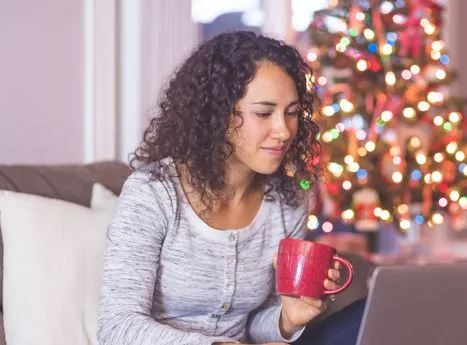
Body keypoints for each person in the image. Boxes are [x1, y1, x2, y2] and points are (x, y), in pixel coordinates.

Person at [97, 30, 364, 345]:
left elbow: (254, 324)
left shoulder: (286, 201)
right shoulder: (153, 194)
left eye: (292, 113)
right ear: (219, 116)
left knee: (364, 316)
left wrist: (286, 319)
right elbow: (116, 327)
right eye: (264, 113)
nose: (283, 130)